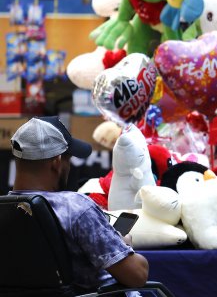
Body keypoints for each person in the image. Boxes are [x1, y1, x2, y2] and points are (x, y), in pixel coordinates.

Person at [8, 117, 149, 292]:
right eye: (68, 159)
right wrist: (123, 243)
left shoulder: (4, 209)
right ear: (57, 162)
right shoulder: (75, 208)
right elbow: (137, 275)